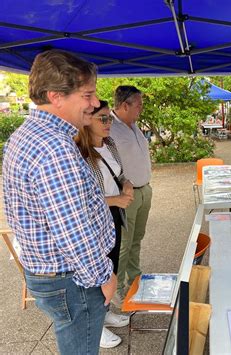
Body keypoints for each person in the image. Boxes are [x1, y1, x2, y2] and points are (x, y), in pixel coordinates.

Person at [2, 49, 116, 354]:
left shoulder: (25, 135)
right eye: (88, 94)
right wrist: (104, 276)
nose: (94, 103)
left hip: (54, 274)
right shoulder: (55, 148)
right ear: (56, 96)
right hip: (73, 279)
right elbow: (73, 229)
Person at [75, 100, 134, 348]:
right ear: (87, 121)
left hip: (114, 214)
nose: (109, 123)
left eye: (109, 117)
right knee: (98, 271)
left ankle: (106, 310)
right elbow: (82, 199)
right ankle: (95, 326)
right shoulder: (80, 153)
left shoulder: (109, 144)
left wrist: (127, 185)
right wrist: (116, 199)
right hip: (95, 219)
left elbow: (119, 174)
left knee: (112, 264)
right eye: (103, 118)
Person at [109, 86, 152, 304]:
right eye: (138, 105)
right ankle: (117, 289)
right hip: (126, 196)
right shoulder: (110, 129)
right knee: (123, 244)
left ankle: (135, 277)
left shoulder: (133, 126)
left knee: (137, 239)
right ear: (124, 105)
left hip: (144, 190)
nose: (141, 109)